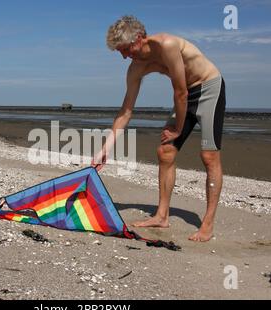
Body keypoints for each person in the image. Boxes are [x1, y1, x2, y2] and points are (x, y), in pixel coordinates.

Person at [91, 15, 226, 242]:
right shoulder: (136, 68)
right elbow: (126, 111)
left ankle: (208, 224)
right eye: (120, 52)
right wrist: (106, 148)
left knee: (209, 155)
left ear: (140, 38)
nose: (124, 56)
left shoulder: (167, 44)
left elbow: (180, 92)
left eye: (126, 49)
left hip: (209, 87)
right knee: (165, 152)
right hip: (186, 96)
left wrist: (177, 129)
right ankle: (162, 216)